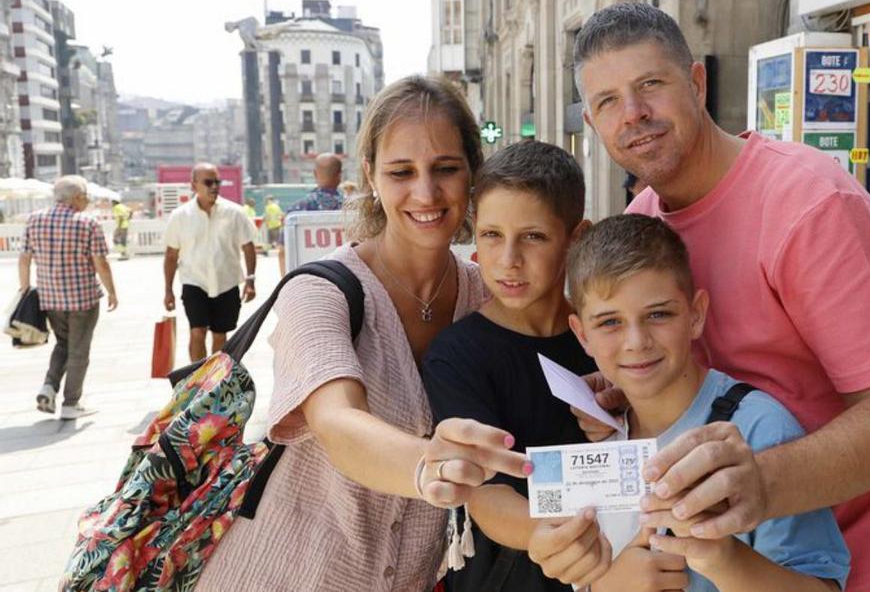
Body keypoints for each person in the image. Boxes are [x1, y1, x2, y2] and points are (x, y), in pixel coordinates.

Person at [573, 2, 870, 591]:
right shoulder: (644, 218)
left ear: (696, 83)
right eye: (608, 102)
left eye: (650, 85)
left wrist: (757, 484)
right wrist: (629, 386)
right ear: (592, 125)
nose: (634, 114)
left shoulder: (809, 204)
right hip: (736, 566)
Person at [195, 74, 531, 591]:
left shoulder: (486, 297)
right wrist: (428, 465)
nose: (426, 192)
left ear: (472, 174)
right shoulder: (321, 291)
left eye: (445, 168)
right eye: (402, 171)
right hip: (277, 574)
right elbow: (336, 420)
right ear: (371, 175)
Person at [564, 214, 850, 592]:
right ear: (582, 334)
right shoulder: (597, 431)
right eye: (609, 323)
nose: (636, 341)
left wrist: (723, 558)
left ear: (696, 315)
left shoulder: (757, 429)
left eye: (658, 314)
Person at [422, 141, 604, 591]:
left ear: (576, 238)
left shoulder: (611, 341)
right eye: (492, 235)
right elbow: (485, 492)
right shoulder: (458, 354)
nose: (508, 260)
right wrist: (550, 537)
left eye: (533, 236)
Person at [18, 175, 118, 420]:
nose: (87, 201)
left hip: (50, 299)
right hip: (82, 299)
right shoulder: (87, 222)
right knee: (79, 351)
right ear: (75, 198)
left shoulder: (35, 220)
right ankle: (71, 403)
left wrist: (25, 289)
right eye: (85, 197)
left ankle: (49, 387)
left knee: (63, 344)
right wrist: (112, 291)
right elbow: (101, 263)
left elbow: (24, 258)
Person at [163, 163, 258, 362]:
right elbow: (171, 255)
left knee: (220, 335)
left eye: (217, 182)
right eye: (208, 182)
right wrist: (168, 290)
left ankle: (215, 380)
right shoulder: (180, 216)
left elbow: (248, 246)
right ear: (193, 185)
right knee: (197, 331)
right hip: (194, 282)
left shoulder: (235, 213)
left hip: (227, 282)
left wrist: (250, 280)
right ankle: (197, 379)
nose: (214, 186)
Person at [277, 152, 345, 274]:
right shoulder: (355, 209)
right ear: (340, 175)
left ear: (314, 174)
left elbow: (283, 252)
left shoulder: (296, 210)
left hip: (307, 283)